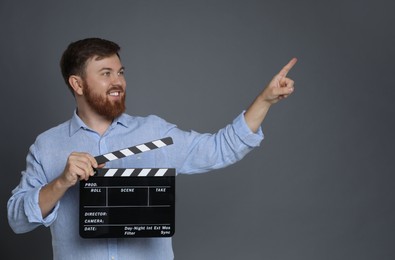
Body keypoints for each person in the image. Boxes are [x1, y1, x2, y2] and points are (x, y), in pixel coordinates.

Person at [7, 38, 296, 260]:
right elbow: (17, 220)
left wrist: (265, 100)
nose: (118, 81)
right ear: (77, 84)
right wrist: (61, 182)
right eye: (105, 73)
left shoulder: (155, 133)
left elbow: (220, 148)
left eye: (120, 72)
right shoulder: (48, 145)